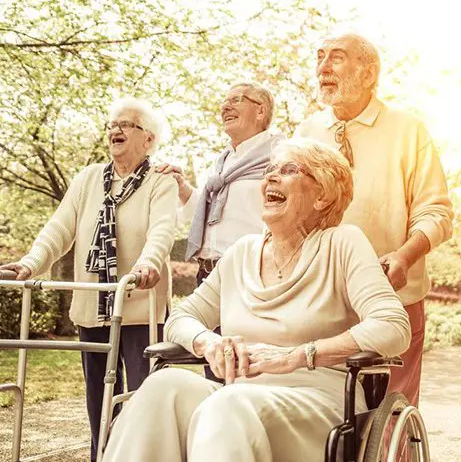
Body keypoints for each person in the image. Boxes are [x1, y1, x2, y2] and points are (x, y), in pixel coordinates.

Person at [102, 138, 411, 462]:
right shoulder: (241, 252)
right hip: (237, 401)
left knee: (228, 406)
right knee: (161, 388)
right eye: (269, 170)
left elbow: (392, 326)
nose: (271, 178)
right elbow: (181, 318)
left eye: (289, 170)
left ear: (322, 195)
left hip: (317, 403)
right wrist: (208, 343)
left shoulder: (342, 243)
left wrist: (297, 356)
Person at [0, 97, 178, 462]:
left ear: (149, 139)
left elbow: (162, 231)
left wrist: (146, 266)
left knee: (141, 392)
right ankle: (101, 454)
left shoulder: (160, 182)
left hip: (138, 306)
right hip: (92, 301)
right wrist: (30, 264)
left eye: (127, 124)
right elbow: (60, 228)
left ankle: (139, 455)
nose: (116, 129)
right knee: (98, 393)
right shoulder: (89, 179)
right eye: (112, 123)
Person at [295, 33, 453, 406]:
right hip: (320, 293)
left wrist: (405, 256)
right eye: (320, 58)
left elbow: (437, 212)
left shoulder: (407, 129)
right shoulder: (307, 133)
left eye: (336, 58)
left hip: (390, 293)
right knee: (320, 406)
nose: (323, 67)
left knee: (389, 409)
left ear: (368, 73)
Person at [157, 82, 283, 285]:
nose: (225, 107)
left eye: (236, 100)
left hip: (251, 272)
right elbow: (208, 209)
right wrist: (181, 185)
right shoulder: (221, 162)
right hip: (207, 273)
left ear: (260, 111)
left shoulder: (280, 156)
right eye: (224, 102)